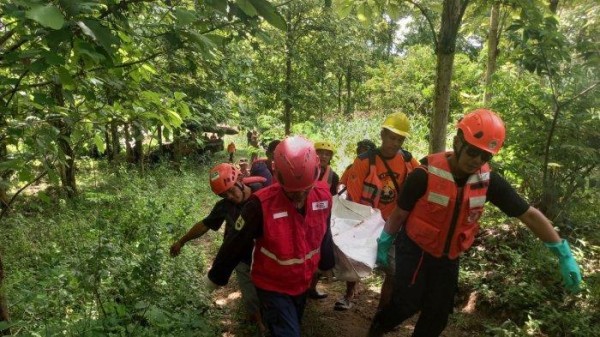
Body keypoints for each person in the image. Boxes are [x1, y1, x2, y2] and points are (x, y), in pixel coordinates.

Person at [367, 109, 583, 337]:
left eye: (485, 156)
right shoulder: (424, 175)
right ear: (457, 142)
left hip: (449, 255)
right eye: (473, 152)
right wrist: (385, 241)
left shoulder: (488, 182)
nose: (477, 161)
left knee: (437, 315)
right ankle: (377, 328)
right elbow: (399, 214)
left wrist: (562, 252)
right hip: (415, 250)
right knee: (406, 303)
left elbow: (528, 214)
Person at [205, 136, 335, 337]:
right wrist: (216, 277)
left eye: (305, 190)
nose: (299, 197)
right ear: (278, 177)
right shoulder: (260, 205)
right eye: (292, 193)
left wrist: (327, 261)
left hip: (302, 282)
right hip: (272, 285)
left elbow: (324, 230)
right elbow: (235, 242)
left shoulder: (324, 197)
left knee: (291, 325)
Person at [169, 163, 268, 335]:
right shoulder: (224, 206)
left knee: (269, 294)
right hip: (242, 259)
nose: (230, 196)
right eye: (224, 195)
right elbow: (204, 225)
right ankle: (259, 326)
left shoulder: (262, 194)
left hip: (266, 255)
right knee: (251, 296)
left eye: (231, 191)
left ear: (239, 180)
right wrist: (181, 241)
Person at [338, 112, 420, 311]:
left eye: (400, 139)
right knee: (355, 264)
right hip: (367, 222)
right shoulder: (364, 161)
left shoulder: (409, 161)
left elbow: (420, 186)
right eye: (392, 137)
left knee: (393, 271)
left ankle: (382, 312)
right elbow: (355, 198)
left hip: (394, 225)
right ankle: (349, 293)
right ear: (382, 134)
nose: (395, 143)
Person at [307, 141, 340, 300]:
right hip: (304, 217)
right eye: (320, 152)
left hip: (322, 220)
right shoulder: (306, 169)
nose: (324, 156)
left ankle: (311, 288)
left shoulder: (333, 176)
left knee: (322, 255)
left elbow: (334, 199)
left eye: (327, 154)